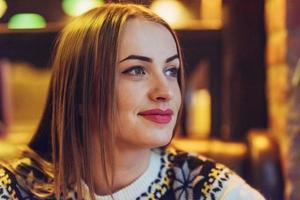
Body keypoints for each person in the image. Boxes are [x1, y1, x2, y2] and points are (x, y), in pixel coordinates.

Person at [0, 3, 265, 200]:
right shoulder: (15, 189)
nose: (166, 92)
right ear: (78, 90)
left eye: (171, 71)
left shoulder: (209, 189)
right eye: (137, 70)